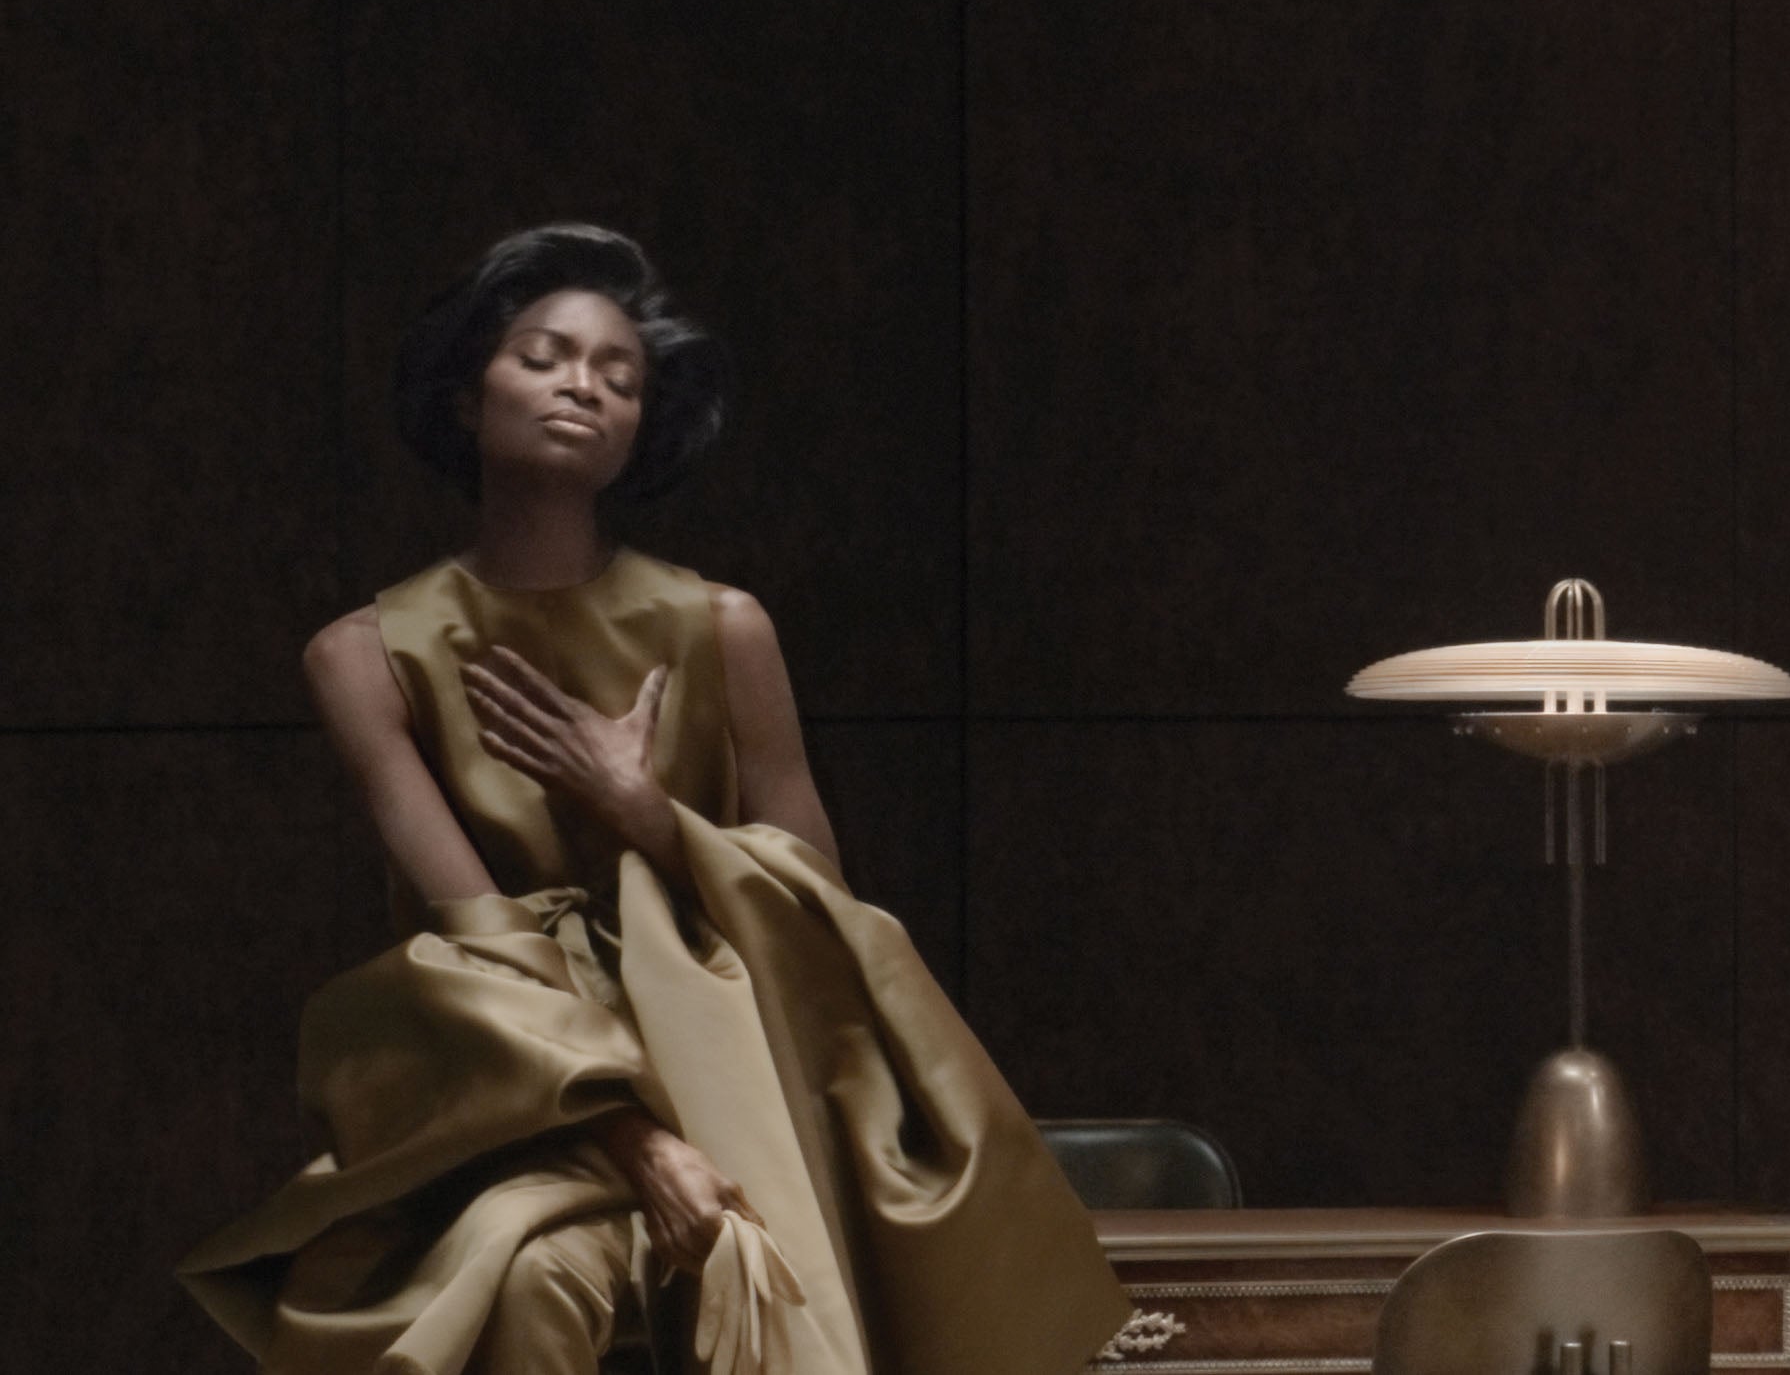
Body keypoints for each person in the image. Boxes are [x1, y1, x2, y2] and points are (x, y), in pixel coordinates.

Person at [176, 224, 1131, 1374]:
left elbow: (820, 906)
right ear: (464, 393)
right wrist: (638, 1146)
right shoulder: (364, 655)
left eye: (618, 376)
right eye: (542, 355)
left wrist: (639, 810)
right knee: (525, 1275)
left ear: (641, 432)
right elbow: (475, 950)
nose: (584, 382)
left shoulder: (722, 629)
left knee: (767, 1269)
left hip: (738, 1064)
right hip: (510, 1092)